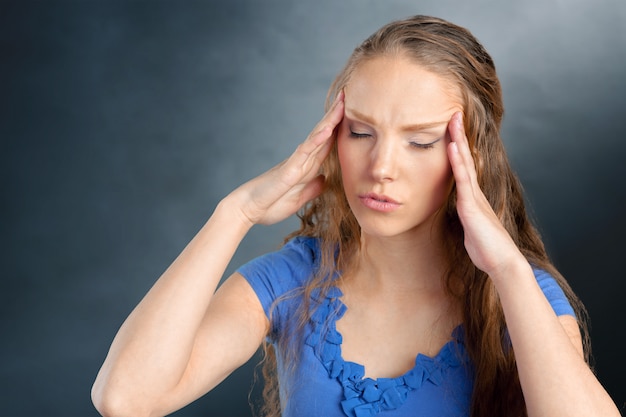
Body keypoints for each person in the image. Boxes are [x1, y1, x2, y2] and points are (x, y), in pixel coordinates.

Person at [91, 15, 621, 417]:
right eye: (360, 132)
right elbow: (126, 398)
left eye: (420, 141)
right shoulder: (293, 279)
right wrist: (236, 213)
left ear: (471, 155)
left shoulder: (520, 297)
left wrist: (507, 269)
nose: (381, 167)